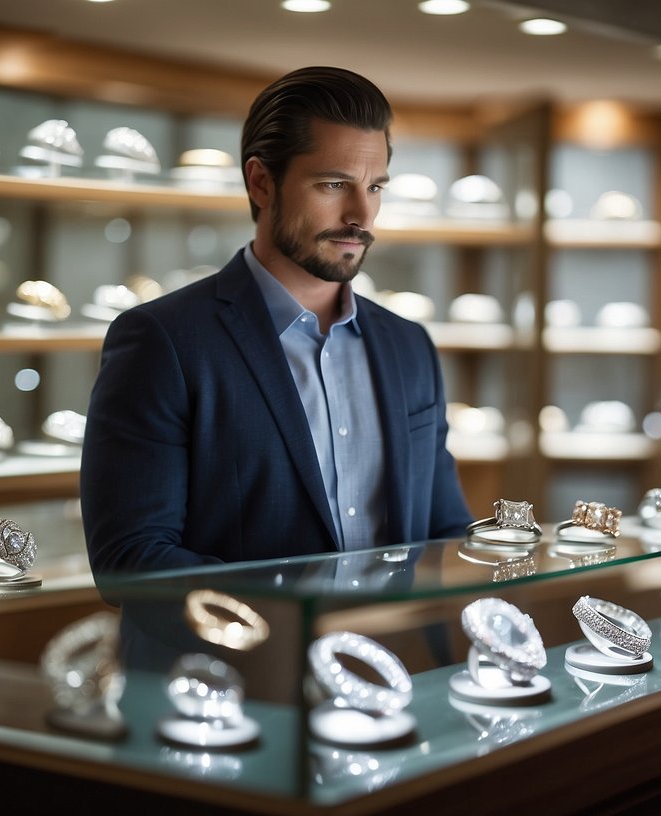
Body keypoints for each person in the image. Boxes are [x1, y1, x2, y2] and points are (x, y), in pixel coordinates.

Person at [81, 66, 472, 576]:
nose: (361, 214)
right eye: (333, 184)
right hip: (235, 657)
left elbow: (444, 531)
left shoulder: (409, 344)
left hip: (397, 655)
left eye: (375, 186)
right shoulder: (164, 340)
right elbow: (130, 559)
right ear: (261, 182)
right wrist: (298, 619)